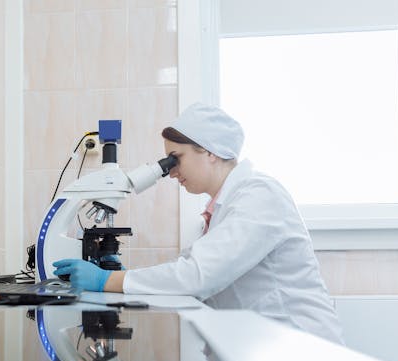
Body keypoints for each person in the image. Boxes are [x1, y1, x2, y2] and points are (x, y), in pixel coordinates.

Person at [53, 103, 344, 344]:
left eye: (175, 158)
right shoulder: (224, 207)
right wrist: (123, 277)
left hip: (299, 346)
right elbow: (189, 268)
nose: (170, 172)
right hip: (265, 345)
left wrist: (108, 281)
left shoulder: (259, 195)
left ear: (210, 151)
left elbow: (197, 276)